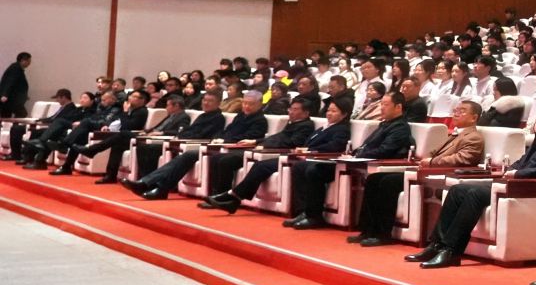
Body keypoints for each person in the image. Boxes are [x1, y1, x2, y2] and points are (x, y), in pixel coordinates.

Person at [404, 101, 536, 268]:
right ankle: (436, 245)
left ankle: (451, 251)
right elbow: (523, 161)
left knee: (474, 194)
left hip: (529, 189)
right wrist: (512, 169)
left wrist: (518, 174)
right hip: (513, 183)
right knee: (457, 190)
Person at [347, 99, 486, 244]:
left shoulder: (473, 137)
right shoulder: (454, 134)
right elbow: (434, 152)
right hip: (427, 171)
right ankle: (367, 230)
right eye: (456, 110)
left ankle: (382, 234)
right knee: (374, 179)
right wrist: (427, 159)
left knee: (388, 182)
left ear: (474, 117)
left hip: (442, 175)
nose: (456, 113)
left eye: (462, 111)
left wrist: (431, 162)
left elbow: (463, 159)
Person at [281, 92, 415, 229]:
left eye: (385, 104)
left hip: (369, 164)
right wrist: (354, 153)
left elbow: (385, 150)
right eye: (381, 104)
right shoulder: (384, 124)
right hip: (355, 162)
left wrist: (358, 156)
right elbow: (366, 146)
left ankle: (314, 216)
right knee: (301, 167)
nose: (381, 108)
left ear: (398, 107)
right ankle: (304, 212)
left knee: (314, 170)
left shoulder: (400, 127)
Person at [206, 99, 351, 213]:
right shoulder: (322, 128)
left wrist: (309, 150)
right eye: (328, 110)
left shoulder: (340, 129)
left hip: (308, 158)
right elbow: (281, 137)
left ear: (344, 114)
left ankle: (233, 197)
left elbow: (334, 146)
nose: (329, 113)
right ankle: (234, 199)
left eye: (334, 111)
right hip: (298, 156)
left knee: (260, 166)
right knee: (259, 165)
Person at [133, 92, 270, 200]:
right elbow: (226, 131)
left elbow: (247, 138)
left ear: (260, 104)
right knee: (186, 155)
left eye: (250, 104)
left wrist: (223, 140)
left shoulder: (259, 120)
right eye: (244, 103)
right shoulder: (240, 116)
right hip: (219, 145)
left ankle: (154, 185)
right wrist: (218, 138)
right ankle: (155, 185)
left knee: (190, 155)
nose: (246, 106)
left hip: (231, 148)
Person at [53, 88, 149, 179]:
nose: (129, 98)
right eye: (130, 96)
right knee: (81, 137)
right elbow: (114, 119)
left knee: (86, 122)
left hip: (121, 134)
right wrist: (106, 125)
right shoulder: (130, 108)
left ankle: (66, 145)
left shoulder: (141, 111)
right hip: (112, 129)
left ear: (142, 100)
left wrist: (125, 112)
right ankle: (67, 166)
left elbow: (128, 126)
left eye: (134, 97)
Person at [0, 52, 28, 118]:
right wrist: (5, 94)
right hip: (12, 98)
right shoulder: (16, 68)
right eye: (28, 61)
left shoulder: (15, 67)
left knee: (6, 115)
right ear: (23, 60)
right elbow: (9, 81)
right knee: (22, 114)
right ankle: (15, 124)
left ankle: (11, 124)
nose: (29, 63)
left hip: (11, 98)